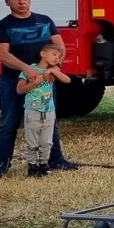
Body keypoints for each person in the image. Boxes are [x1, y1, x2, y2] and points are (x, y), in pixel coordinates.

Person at [0, 0, 75, 177]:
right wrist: (27, 69)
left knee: (49, 120)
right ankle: (1, 166)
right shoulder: (3, 26)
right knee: (9, 123)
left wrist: (55, 69)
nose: (21, 2)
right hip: (14, 82)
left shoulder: (45, 21)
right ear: (7, 2)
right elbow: (2, 54)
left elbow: (59, 47)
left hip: (45, 83)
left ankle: (55, 160)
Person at [16, 43, 71, 177]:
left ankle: (43, 164)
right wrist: (35, 83)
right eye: (54, 55)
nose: (57, 58)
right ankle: (32, 166)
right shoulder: (30, 70)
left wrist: (53, 71)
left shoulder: (52, 71)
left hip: (49, 111)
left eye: (59, 56)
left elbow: (67, 80)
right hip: (32, 110)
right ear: (43, 54)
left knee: (46, 141)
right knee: (32, 141)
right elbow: (20, 90)